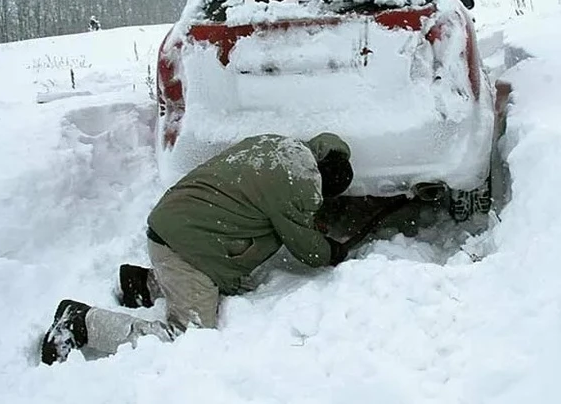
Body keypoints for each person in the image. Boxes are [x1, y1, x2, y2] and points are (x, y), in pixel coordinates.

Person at [40, 132, 355, 365]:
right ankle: (81, 323)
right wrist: (333, 251)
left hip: (175, 225)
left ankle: (142, 285)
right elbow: (307, 250)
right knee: (189, 336)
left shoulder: (275, 145)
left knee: (211, 284)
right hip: (187, 247)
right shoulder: (300, 180)